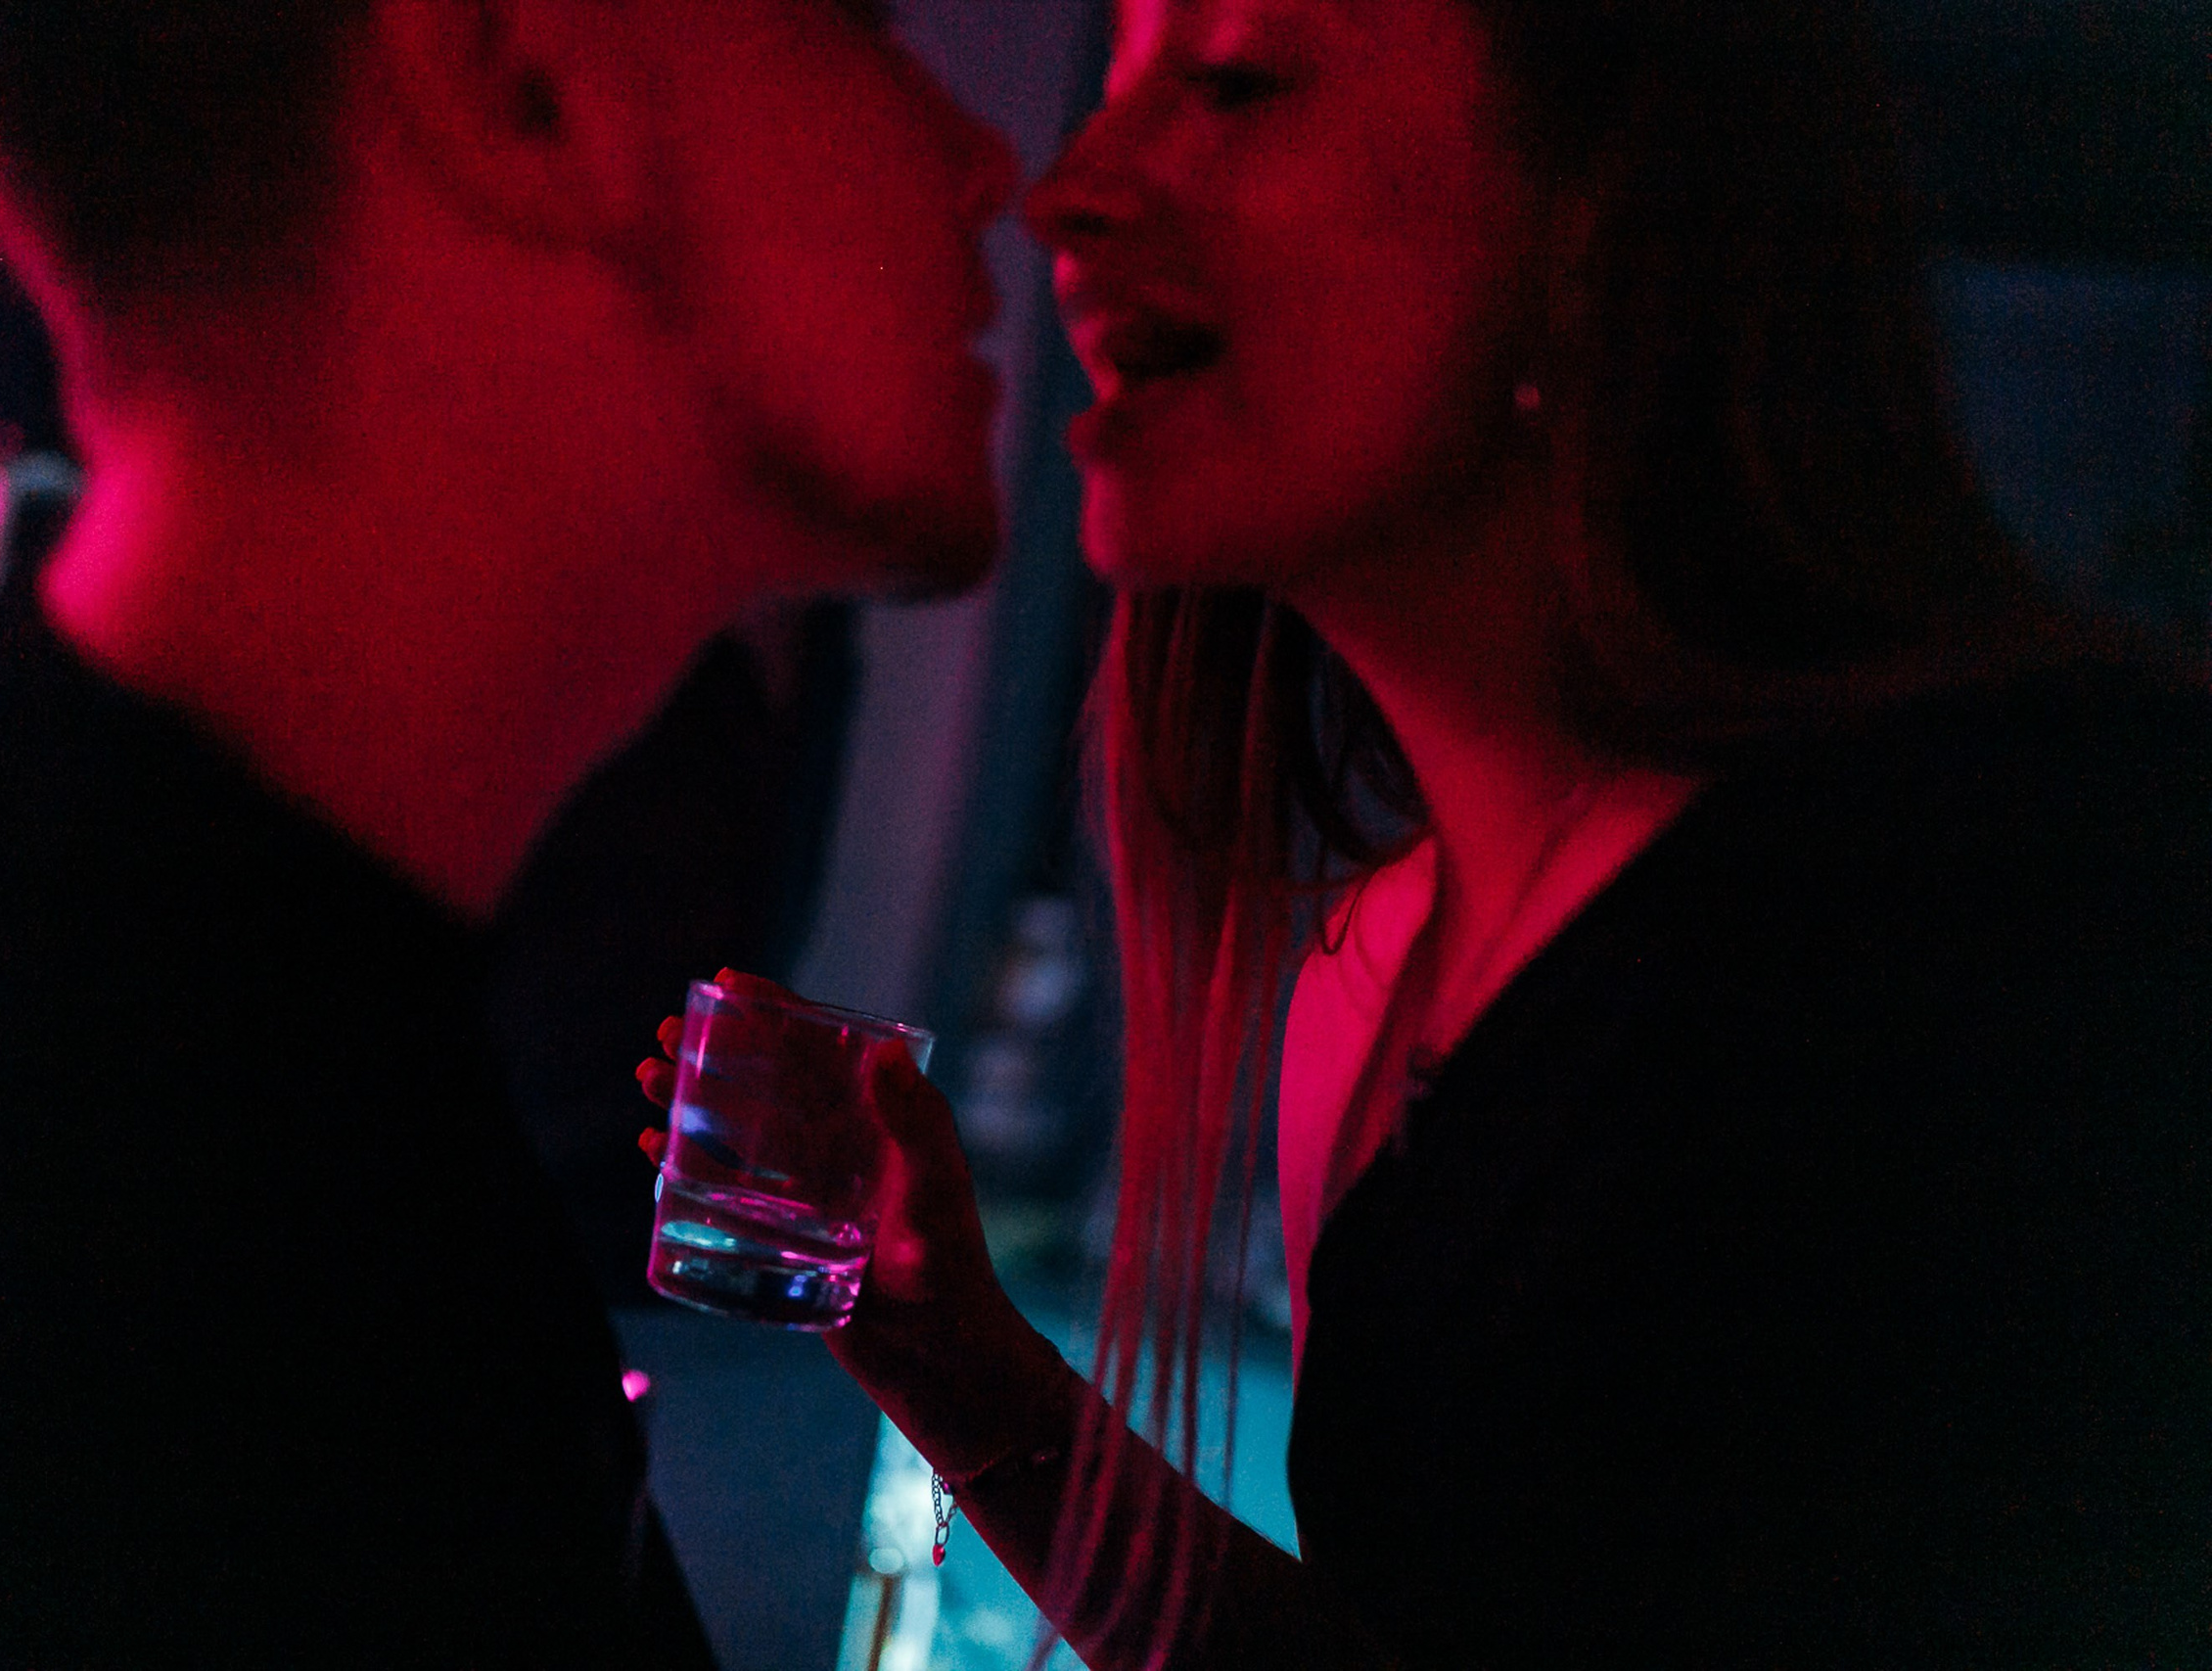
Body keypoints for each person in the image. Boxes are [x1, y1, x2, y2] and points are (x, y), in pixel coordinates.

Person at [645, 0, 2212, 1663]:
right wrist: (954, 1358)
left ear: (1600, 207)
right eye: (1113, 96)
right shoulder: (1381, 975)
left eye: (1236, 84)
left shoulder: (2051, 891)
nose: (1066, 193)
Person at [0, 0, 1014, 1660]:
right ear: (514, 84)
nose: (987, 163)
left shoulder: (167, 1060)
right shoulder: (9, 1205)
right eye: (851, 28)